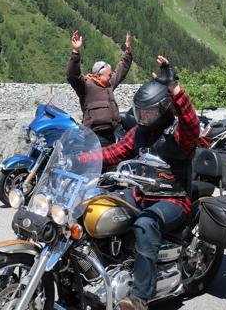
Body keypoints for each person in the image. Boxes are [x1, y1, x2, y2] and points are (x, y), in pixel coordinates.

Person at [78, 56, 200, 310]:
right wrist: (80, 159)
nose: (144, 117)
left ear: (163, 109)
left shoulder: (178, 135)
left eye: (149, 112)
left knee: (145, 224)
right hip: (142, 194)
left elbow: (191, 123)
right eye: (141, 112)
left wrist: (175, 88)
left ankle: (139, 297)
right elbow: (112, 152)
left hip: (173, 199)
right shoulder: (139, 133)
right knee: (92, 206)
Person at [66, 30, 133, 145]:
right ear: (99, 75)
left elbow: (121, 71)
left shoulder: (108, 84)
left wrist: (128, 53)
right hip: (95, 136)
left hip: (113, 132)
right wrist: (75, 52)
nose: (111, 76)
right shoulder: (86, 86)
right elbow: (72, 75)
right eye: (109, 74)